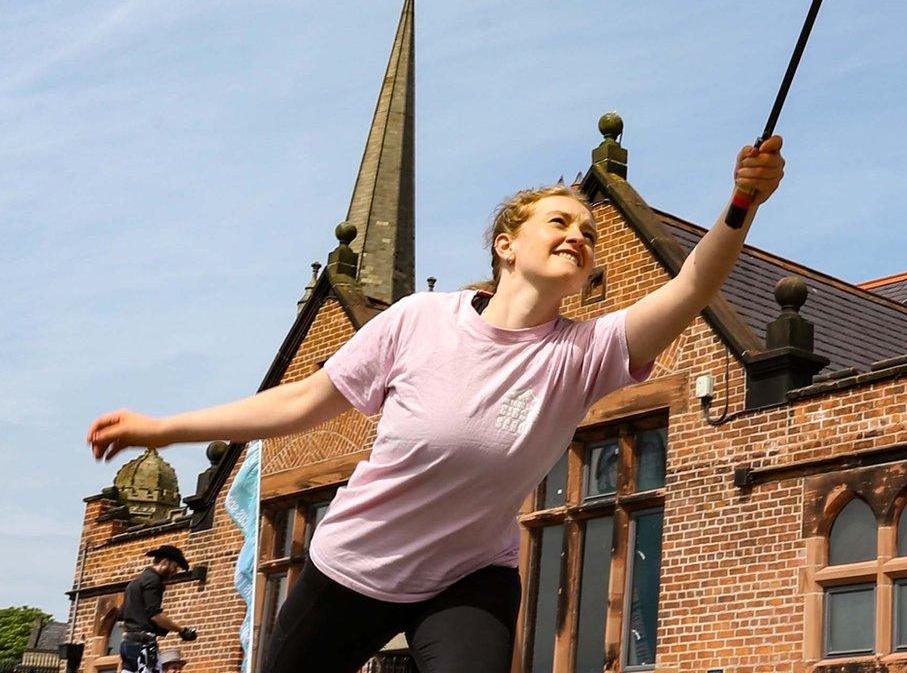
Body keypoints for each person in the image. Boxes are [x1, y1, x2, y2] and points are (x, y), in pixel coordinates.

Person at [88, 139, 787, 673]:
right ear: (506, 245)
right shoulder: (419, 320)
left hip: (467, 577)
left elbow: (692, 285)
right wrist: (165, 427)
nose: (579, 234)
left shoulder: (586, 352)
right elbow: (302, 404)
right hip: (352, 567)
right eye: (560, 221)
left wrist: (741, 205)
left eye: (590, 232)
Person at [116, 545, 197, 673]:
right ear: (165, 562)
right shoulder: (153, 581)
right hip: (142, 644)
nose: (174, 572)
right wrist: (182, 630)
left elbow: (121, 616)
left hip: (128, 644)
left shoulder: (136, 581)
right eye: (174, 567)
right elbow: (155, 615)